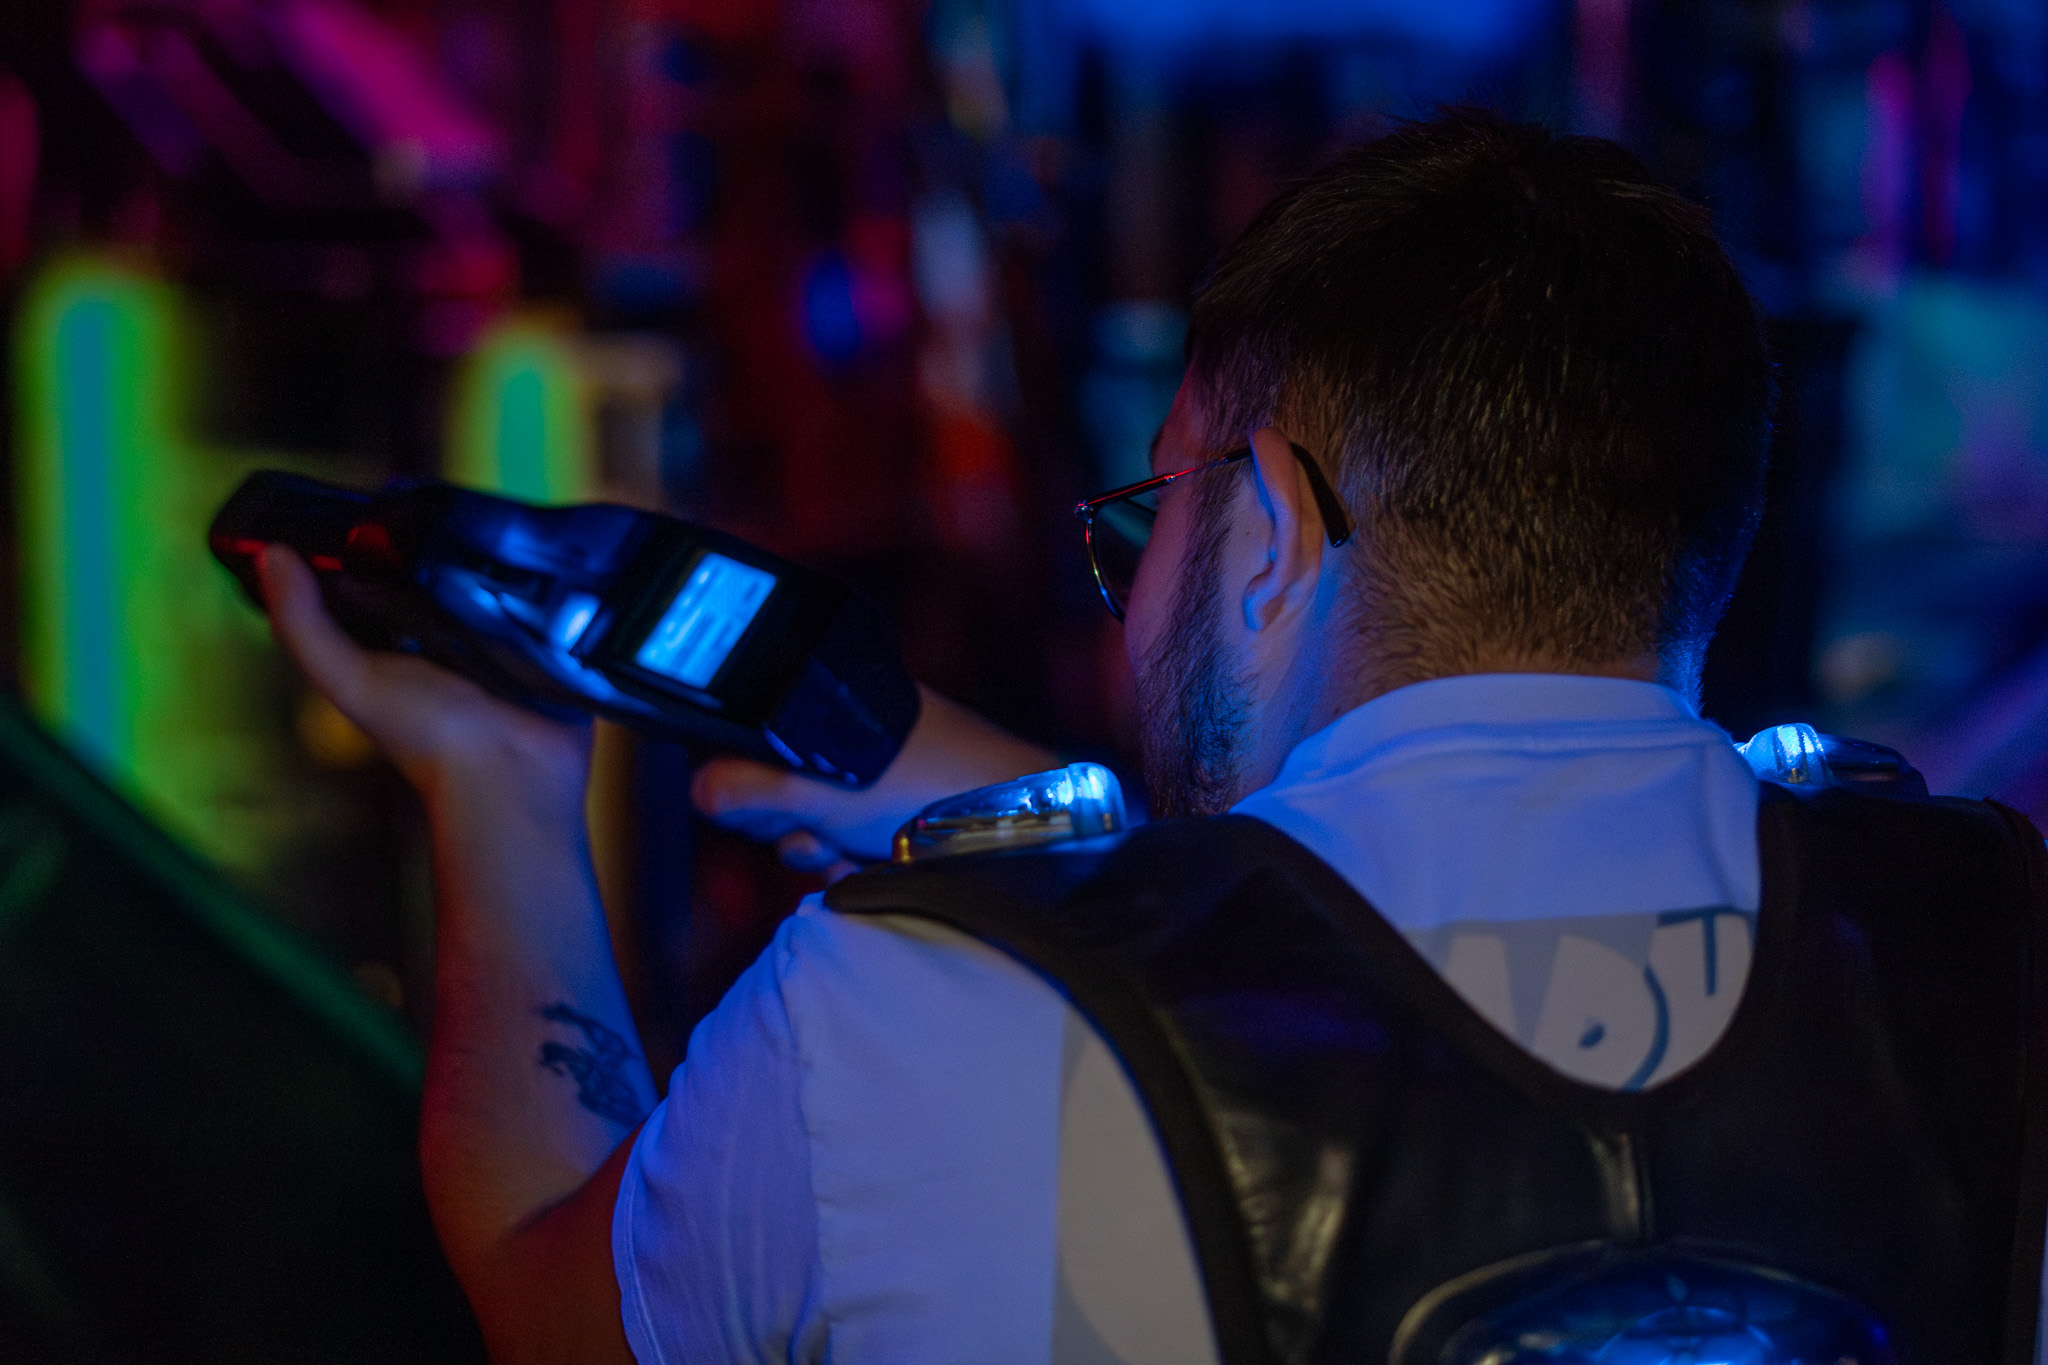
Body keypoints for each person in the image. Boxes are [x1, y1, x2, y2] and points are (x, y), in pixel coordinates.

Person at [258, 109, 2048, 1363]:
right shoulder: (1994, 944)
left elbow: (540, 1285)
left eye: (1148, 517)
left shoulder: (896, 1018)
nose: (1127, 589)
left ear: (1269, 531)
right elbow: (1379, 937)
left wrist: (496, 792)